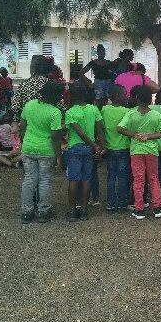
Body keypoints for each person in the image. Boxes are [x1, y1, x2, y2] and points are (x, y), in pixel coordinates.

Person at [117, 85, 161, 219]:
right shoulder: (156, 115)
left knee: (138, 179)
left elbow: (119, 128)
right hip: (151, 150)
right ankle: (157, 207)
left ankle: (139, 209)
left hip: (136, 150)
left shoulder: (131, 113)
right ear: (150, 99)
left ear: (137, 99)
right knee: (154, 178)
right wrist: (149, 136)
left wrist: (134, 135)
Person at [19, 81, 64, 223]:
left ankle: (26, 212)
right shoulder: (55, 112)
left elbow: (22, 126)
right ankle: (43, 211)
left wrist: (23, 141)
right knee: (44, 180)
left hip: (28, 147)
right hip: (46, 149)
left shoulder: (29, 105)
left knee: (29, 179)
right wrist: (59, 156)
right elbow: (55, 137)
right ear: (56, 96)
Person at [64, 83, 105, 222]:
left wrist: (94, 145)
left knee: (73, 179)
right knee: (87, 179)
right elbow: (100, 130)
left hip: (75, 147)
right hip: (89, 149)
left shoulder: (70, 112)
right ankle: (84, 210)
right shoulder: (94, 109)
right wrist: (101, 146)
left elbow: (80, 133)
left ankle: (72, 210)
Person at [101, 84, 131, 211]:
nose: (126, 96)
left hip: (110, 147)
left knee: (111, 176)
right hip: (123, 147)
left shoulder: (105, 109)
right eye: (124, 94)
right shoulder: (127, 112)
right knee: (123, 176)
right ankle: (122, 202)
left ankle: (111, 203)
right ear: (118, 96)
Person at [11, 56, 66, 122]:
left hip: (27, 124)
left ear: (34, 69)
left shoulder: (23, 86)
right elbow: (61, 108)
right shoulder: (52, 86)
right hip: (48, 125)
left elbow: (15, 108)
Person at [78, 44, 113, 108]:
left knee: (108, 102)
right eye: (100, 52)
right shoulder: (93, 63)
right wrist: (89, 83)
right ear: (97, 53)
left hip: (108, 84)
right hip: (98, 84)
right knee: (99, 103)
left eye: (103, 52)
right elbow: (81, 73)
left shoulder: (109, 63)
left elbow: (114, 73)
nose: (102, 53)